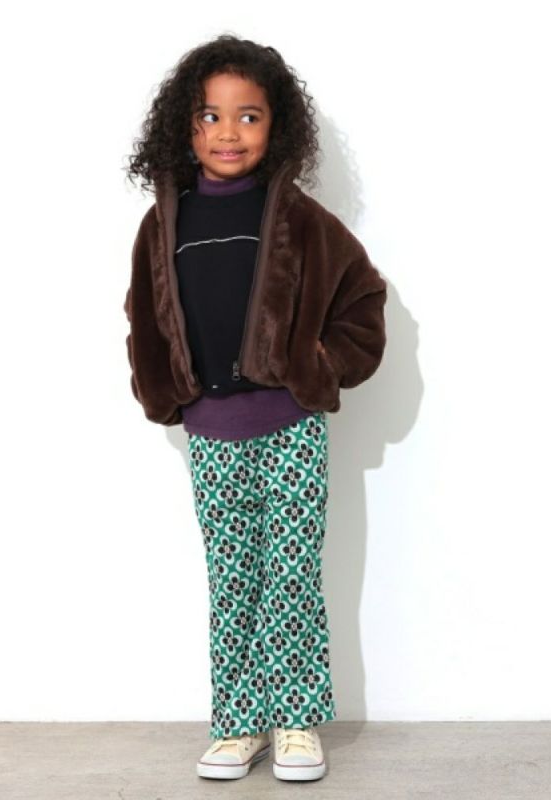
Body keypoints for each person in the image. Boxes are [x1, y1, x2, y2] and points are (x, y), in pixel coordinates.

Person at [123, 34, 387, 782]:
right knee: (233, 577)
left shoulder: (301, 220)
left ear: (278, 127)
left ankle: (295, 720)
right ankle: (240, 722)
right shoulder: (163, 223)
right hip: (211, 432)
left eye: (249, 116)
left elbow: (364, 302)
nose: (228, 133)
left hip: (291, 427)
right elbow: (143, 314)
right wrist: (161, 389)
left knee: (292, 575)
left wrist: (318, 369)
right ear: (184, 126)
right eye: (210, 116)